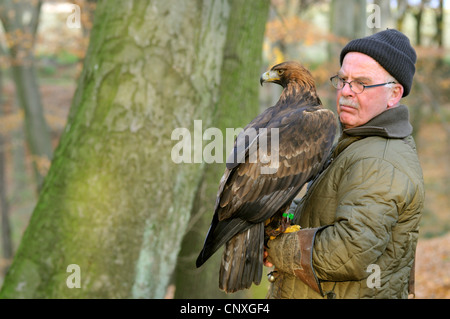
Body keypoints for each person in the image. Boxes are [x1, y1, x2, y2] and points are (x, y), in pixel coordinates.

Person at [264, 29, 425, 299]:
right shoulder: (357, 143)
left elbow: (349, 252)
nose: (346, 92)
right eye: (343, 80)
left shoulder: (380, 160)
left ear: (394, 94)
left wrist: (275, 248)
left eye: (361, 83)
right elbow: (317, 212)